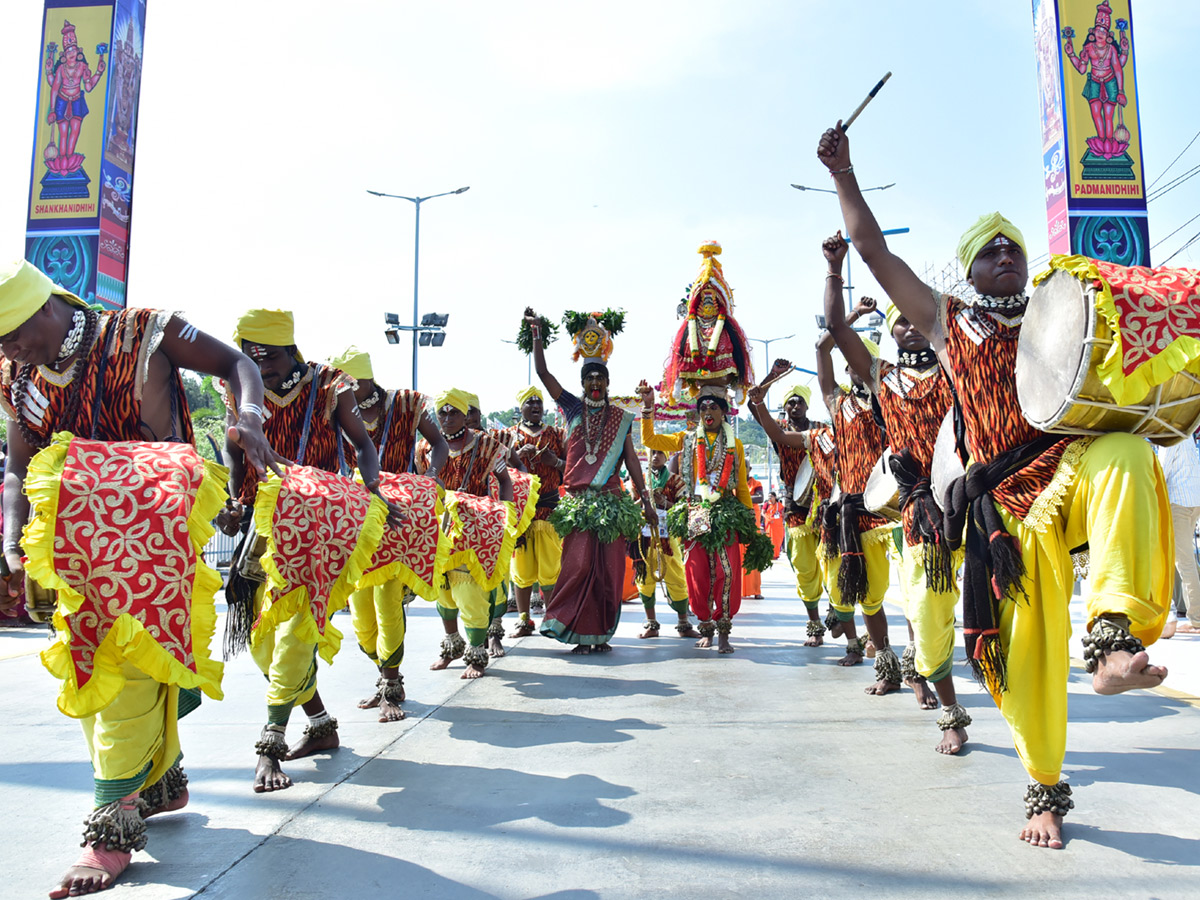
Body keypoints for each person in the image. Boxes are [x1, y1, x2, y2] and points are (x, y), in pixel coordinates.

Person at [818, 121, 1170, 849]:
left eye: (1012, 244)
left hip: (1067, 470)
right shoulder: (951, 325)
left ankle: (1111, 638)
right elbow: (876, 255)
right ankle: (1042, 788)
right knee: (1028, 657)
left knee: (1128, 455)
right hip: (1004, 516)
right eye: (989, 249)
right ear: (969, 273)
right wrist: (846, 178)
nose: (1005, 253)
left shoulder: (1064, 310)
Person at [0, 259, 278, 897]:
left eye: (16, 334)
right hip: (78, 535)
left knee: (122, 665)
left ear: (47, 305)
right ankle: (162, 779)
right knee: (92, 663)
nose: (11, 351)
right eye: (1, 344)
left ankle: (112, 828)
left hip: (157, 525)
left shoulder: (144, 332)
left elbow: (239, 365)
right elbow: (18, 469)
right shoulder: (18, 378)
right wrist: (13, 539)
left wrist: (250, 418)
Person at [219, 310, 395, 794]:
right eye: (252, 358)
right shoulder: (237, 389)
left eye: (270, 357)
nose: (263, 368)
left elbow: (363, 445)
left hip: (319, 519)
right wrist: (233, 503)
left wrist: (372, 491)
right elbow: (234, 454)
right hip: (263, 520)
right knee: (261, 638)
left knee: (296, 629)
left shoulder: (330, 384)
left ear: (292, 352)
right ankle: (319, 723)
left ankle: (270, 743)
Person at [821, 233, 971, 753]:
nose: (908, 327)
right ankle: (950, 709)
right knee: (927, 608)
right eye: (897, 322)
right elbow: (837, 327)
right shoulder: (882, 379)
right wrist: (836, 268)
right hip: (921, 509)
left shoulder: (960, 363)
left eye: (913, 318)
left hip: (979, 497)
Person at [524, 308, 658, 654]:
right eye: (589, 378)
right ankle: (573, 629)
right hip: (578, 505)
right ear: (582, 383)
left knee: (609, 573)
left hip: (612, 503)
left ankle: (598, 637)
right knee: (579, 566)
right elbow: (542, 372)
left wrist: (646, 501)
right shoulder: (571, 408)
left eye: (600, 378)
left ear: (608, 383)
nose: (595, 383)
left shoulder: (620, 417)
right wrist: (537, 335)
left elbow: (632, 461)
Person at [328, 347, 448, 723]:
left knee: (387, 602)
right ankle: (382, 677)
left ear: (364, 380)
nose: (342, 390)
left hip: (398, 519)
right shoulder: (333, 408)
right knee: (361, 617)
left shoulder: (406, 404)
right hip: (356, 519)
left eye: (348, 383)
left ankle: (392, 686)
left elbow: (440, 444)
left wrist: (428, 479)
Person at [810, 296, 897, 689]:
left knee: (883, 598)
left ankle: (899, 668)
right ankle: (863, 651)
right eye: (851, 363)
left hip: (886, 513)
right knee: (852, 594)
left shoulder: (890, 402)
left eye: (863, 362)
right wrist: (855, 316)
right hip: (846, 514)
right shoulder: (837, 404)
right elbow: (821, 347)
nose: (856, 369)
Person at [637, 381, 754, 653]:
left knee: (726, 571)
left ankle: (724, 630)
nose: (708, 412)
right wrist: (647, 407)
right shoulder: (687, 438)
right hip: (696, 511)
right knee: (697, 571)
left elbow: (742, 486)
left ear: (724, 412)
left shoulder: (733, 443)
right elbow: (650, 441)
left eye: (714, 407)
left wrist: (749, 519)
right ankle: (705, 627)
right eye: (703, 408)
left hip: (726, 511)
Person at [419, 388, 514, 678]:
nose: (447, 418)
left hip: (476, 527)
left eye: (454, 412)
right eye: (442, 413)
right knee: (443, 590)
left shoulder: (487, 445)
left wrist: (503, 518)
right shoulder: (424, 447)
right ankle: (451, 648)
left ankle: (475, 654)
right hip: (440, 527)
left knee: (469, 591)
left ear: (464, 414)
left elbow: (505, 480)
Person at [748, 379, 830, 646]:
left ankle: (841, 613)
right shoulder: (778, 429)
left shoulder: (823, 430)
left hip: (826, 502)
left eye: (799, 401)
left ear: (807, 405)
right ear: (784, 407)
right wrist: (771, 377)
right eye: (790, 402)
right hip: (795, 505)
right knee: (805, 567)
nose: (795, 406)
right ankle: (815, 624)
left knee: (832, 563)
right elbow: (753, 405)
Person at [504, 386, 566, 638]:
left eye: (539, 402)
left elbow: (570, 468)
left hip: (549, 508)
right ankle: (523, 620)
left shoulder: (556, 434)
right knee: (521, 570)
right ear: (520, 408)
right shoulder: (508, 435)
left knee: (551, 568)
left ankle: (551, 618)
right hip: (520, 512)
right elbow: (496, 469)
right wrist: (516, 457)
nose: (535, 406)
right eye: (529, 403)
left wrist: (554, 462)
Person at [633, 448, 700, 639]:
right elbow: (631, 504)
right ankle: (651, 625)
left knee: (677, 577)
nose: (655, 457)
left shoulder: (676, 480)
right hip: (644, 538)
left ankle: (684, 624)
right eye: (652, 452)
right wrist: (643, 501)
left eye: (660, 453)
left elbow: (685, 508)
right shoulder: (640, 479)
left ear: (667, 456)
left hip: (668, 537)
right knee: (643, 579)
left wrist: (665, 503)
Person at [1156, 436, 1200, 637]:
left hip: (1177, 504)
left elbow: (1161, 473)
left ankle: (1196, 620)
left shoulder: (1169, 439)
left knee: (1184, 563)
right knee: (1181, 559)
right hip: (1192, 501)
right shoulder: (1186, 435)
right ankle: (1183, 610)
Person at [742, 466, 766, 598]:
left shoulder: (756, 483)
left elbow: (760, 498)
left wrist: (743, 498)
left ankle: (756, 591)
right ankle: (738, 590)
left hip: (753, 522)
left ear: (749, 468)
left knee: (753, 554)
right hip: (740, 522)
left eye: (745, 466)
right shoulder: (735, 482)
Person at [764, 491, 785, 559]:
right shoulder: (766, 504)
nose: (770, 498)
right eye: (769, 496)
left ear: (775, 497)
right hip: (770, 525)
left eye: (771, 496)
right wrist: (768, 518)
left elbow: (783, 513)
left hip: (778, 526)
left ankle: (776, 554)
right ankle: (770, 554)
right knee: (770, 539)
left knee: (778, 540)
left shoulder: (779, 505)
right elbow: (762, 513)